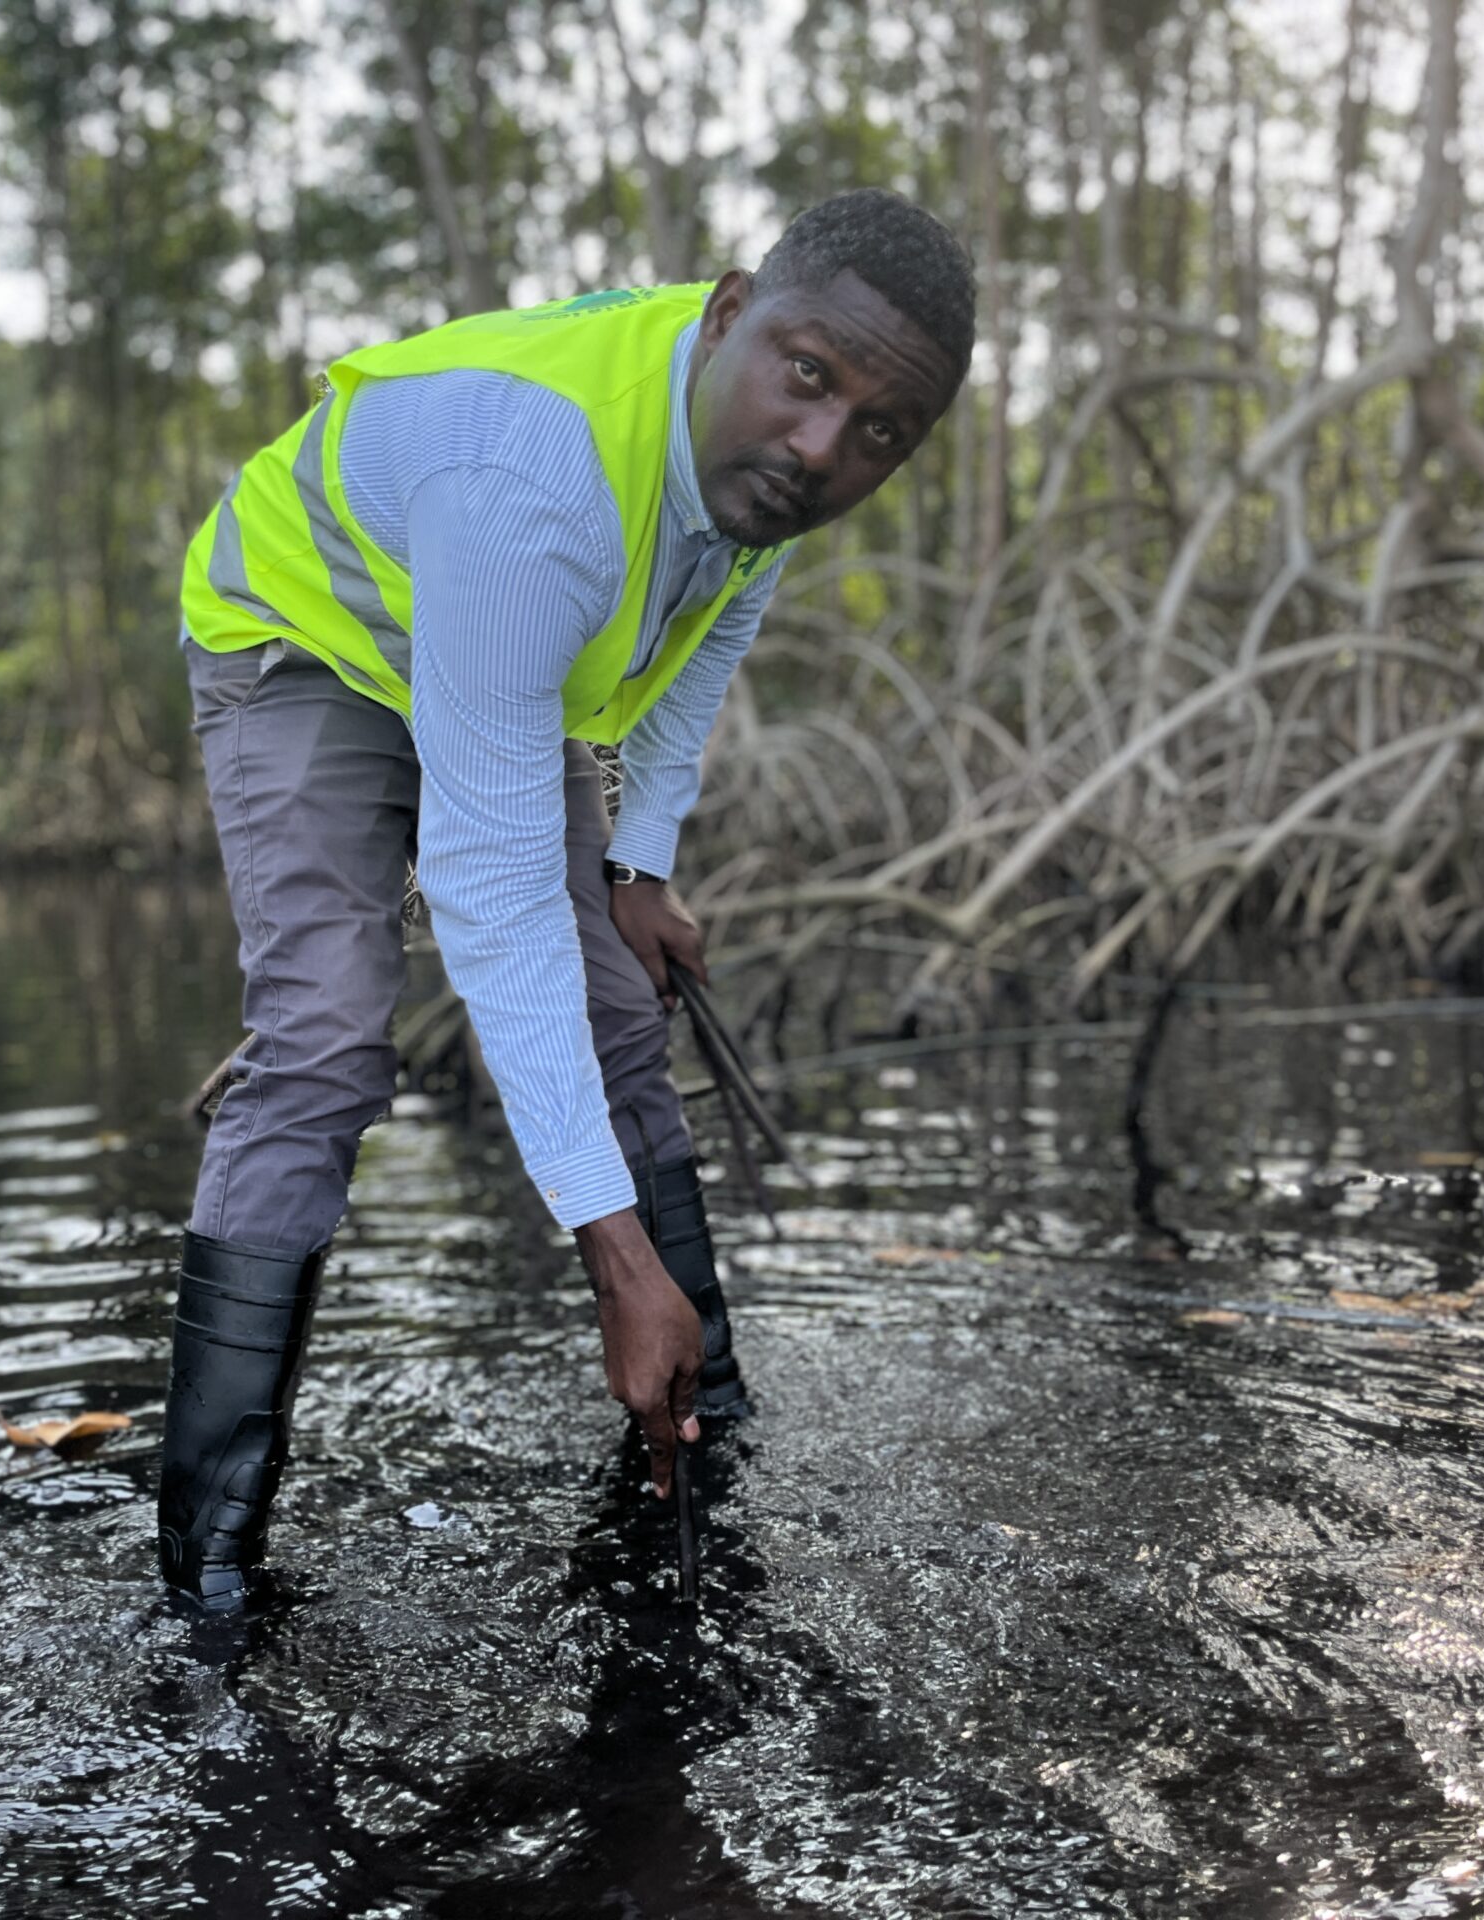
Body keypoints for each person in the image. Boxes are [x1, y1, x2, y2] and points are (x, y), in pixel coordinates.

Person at [159, 188, 975, 1613]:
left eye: (879, 433)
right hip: (308, 634)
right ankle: (210, 1560)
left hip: (489, 644)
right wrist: (608, 1256)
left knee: (614, 1002)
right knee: (328, 1039)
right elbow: (483, 884)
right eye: (808, 378)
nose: (824, 446)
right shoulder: (537, 485)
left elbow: (701, 647)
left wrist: (638, 865)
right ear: (730, 313)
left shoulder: (765, 470)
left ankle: (696, 1421)